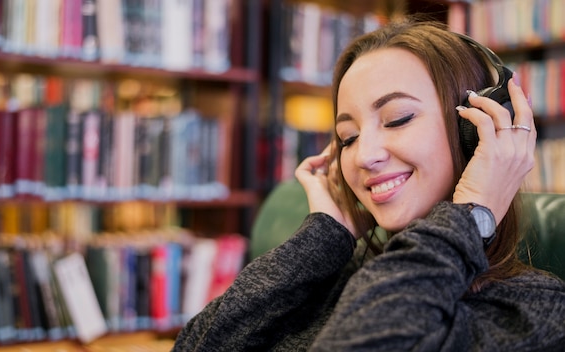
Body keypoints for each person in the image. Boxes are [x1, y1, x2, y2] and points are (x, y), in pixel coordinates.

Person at [172, 17, 565, 351]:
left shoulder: (531, 312)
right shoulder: (331, 275)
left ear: (477, 132)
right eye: (348, 137)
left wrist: (472, 213)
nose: (363, 156)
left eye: (397, 119)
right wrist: (324, 236)